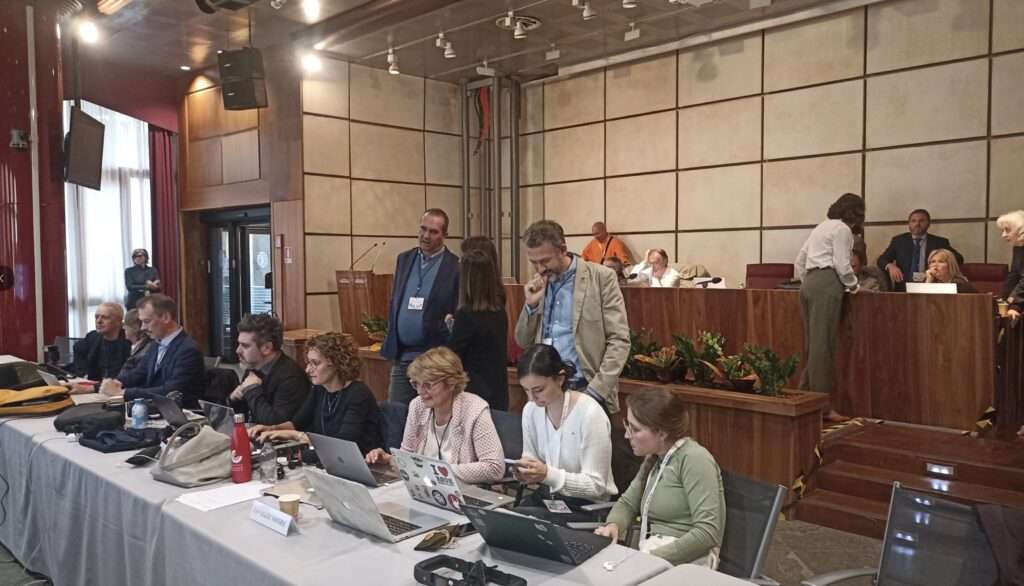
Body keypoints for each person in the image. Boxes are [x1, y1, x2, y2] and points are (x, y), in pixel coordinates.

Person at [593, 388, 725, 567]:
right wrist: (613, 525)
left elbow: (707, 533)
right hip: (654, 553)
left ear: (662, 433)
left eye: (635, 429)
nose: (626, 435)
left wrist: (651, 559)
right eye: (627, 425)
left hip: (687, 562)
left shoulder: (695, 459)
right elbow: (627, 503)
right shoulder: (655, 458)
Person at [515, 220, 630, 415]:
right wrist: (531, 306)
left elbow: (619, 340)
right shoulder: (538, 284)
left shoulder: (601, 278)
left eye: (545, 261)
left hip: (587, 390)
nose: (540, 269)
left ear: (562, 250)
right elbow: (522, 340)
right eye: (534, 262)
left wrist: (595, 392)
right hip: (545, 393)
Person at [365, 347, 504, 483]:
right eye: (416, 383)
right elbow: (408, 457)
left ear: (451, 383)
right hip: (424, 487)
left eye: (428, 385)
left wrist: (436, 471)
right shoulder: (418, 405)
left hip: (463, 491)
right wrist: (389, 459)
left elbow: (494, 468)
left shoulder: (474, 409)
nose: (420, 391)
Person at [512, 344, 616, 521]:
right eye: (526, 390)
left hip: (585, 505)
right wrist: (524, 471)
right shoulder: (530, 410)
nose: (532, 398)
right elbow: (530, 458)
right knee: (506, 520)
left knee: (523, 524)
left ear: (560, 379)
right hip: (548, 496)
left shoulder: (590, 413)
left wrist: (547, 474)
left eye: (538, 390)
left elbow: (597, 486)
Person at [249, 332, 383, 455]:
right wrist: (272, 429)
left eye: (315, 363)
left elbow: (342, 445)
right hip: (330, 459)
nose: (308, 370)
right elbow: (297, 424)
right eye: (308, 363)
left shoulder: (358, 394)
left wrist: (296, 435)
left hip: (360, 463)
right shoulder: (320, 389)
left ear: (336, 363)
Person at [795, 193, 865, 422]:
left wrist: (809, 280)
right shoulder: (842, 229)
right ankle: (822, 407)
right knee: (823, 347)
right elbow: (842, 265)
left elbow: (800, 260)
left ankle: (804, 399)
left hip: (809, 284)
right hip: (827, 283)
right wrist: (854, 286)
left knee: (813, 346)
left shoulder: (821, 227)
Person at [380, 209, 460, 405]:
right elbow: (395, 300)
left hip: (434, 358)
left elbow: (456, 311)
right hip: (402, 356)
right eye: (423, 229)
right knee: (396, 412)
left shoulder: (455, 266)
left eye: (433, 231)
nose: (426, 236)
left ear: (445, 235)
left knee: (430, 412)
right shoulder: (404, 259)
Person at [100, 294, 206, 405]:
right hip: (155, 408)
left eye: (146, 321)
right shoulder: (156, 344)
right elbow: (138, 373)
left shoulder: (188, 350)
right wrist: (115, 382)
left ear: (166, 318)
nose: (142, 328)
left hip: (181, 411)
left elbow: (172, 391)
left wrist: (124, 393)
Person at [446, 244, 509, 410]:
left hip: (474, 393)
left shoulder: (466, 314)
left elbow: (452, 354)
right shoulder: (499, 311)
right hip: (497, 390)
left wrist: (450, 329)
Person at [230, 313, 311, 425]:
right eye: (239, 344)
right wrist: (233, 400)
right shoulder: (253, 367)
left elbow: (276, 424)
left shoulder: (291, 378)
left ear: (267, 348)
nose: (238, 351)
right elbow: (244, 416)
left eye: (245, 346)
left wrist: (252, 390)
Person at [876, 209, 963, 292]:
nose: (917, 224)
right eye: (913, 221)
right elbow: (881, 260)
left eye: (921, 221)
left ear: (928, 223)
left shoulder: (939, 242)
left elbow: (959, 259)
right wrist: (890, 266)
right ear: (909, 224)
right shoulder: (899, 241)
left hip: (931, 287)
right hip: (903, 289)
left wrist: (940, 271)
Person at [69, 302, 131, 390]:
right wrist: (83, 375)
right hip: (94, 387)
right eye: (96, 317)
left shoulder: (128, 341)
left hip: (117, 389)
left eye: (105, 317)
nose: (99, 321)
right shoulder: (93, 337)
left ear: (119, 321)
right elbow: (77, 349)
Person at [997, 210, 1024, 324]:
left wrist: (1015, 304)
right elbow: (1014, 276)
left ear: (1020, 230)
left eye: (1007, 230)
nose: (1003, 235)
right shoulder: (1018, 247)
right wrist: (1002, 299)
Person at [117, 308, 154, 379]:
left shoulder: (147, 350)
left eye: (125, 324)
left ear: (136, 327)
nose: (123, 328)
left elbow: (135, 376)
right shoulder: (134, 346)